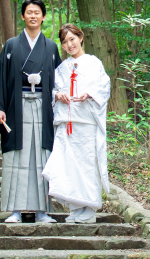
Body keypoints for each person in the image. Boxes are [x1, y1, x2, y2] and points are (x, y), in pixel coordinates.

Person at [0, 0, 62, 224]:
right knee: (16, 157)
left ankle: (42, 211)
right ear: (22, 16)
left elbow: (59, 80)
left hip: (43, 107)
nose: (33, 16)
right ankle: (16, 210)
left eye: (37, 12)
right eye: (29, 12)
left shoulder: (51, 47)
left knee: (42, 156)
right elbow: (0, 78)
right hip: (15, 107)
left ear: (43, 16)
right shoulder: (11, 45)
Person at [42, 23, 110, 224]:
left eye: (72, 39)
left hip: (86, 123)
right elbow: (53, 90)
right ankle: (75, 208)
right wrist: (58, 95)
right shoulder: (62, 68)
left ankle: (88, 209)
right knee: (67, 166)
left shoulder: (94, 63)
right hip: (66, 123)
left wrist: (89, 93)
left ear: (81, 38)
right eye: (64, 42)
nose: (69, 45)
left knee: (86, 166)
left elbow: (104, 87)